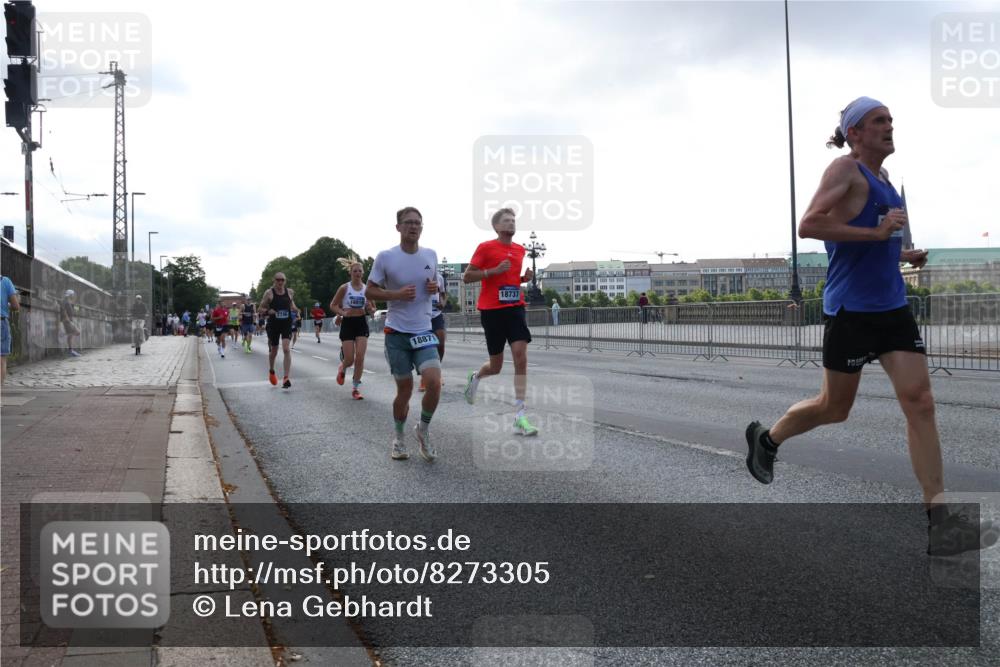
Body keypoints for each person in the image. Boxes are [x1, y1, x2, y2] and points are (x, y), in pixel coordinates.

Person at [745, 96, 997, 557]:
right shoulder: (845, 170)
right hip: (852, 312)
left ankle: (940, 522)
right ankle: (767, 438)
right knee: (833, 408)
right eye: (879, 121)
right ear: (855, 132)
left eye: (891, 120)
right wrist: (879, 235)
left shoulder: (884, 182)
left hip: (892, 309)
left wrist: (900, 253)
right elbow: (810, 225)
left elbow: (868, 242)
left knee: (920, 402)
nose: (889, 126)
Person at [366, 206, 442, 461]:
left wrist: (435, 290)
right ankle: (399, 438)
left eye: (418, 223)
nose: (414, 227)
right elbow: (370, 291)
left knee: (433, 382)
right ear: (398, 227)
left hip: (423, 330)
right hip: (397, 333)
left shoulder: (430, 255)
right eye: (408, 222)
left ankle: (423, 430)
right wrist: (395, 295)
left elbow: (438, 292)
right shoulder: (386, 257)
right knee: (405, 391)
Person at [462, 208, 538, 436]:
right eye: (507, 220)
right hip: (492, 310)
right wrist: (493, 271)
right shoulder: (485, 247)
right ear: (496, 226)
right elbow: (467, 276)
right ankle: (476, 377)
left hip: (515, 308)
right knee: (495, 366)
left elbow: (511, 278)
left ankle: (520, 415)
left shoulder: (520, 249)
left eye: (514, 220)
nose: (512, 223)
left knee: (520, 356)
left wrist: (524, 279)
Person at [330, 257, 375, 400]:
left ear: (363, 273)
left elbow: (372, 307)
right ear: (350, 273)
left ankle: (355, 388)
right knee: (350, 360)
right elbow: (333, 305)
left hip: (361, 322)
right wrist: (343, 313)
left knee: (360, 357)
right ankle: (342, 367)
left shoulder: (367, 289)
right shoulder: (344, 288)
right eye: (354, 271)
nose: (357, 273)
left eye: (359, 271)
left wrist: (371, 309)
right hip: (348, 323)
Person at [258, 272, 298, 388]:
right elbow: (260, 308)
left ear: (285, 281)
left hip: (286, 323)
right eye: (278, 280)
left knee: (286, 349)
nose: (280, 282)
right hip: (273, 325)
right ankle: (271, 370)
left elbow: (291, 305)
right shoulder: (269, 293)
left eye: (282, 280)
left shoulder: (289, 292)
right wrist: (267, 311)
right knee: (274, 350)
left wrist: (296, 310)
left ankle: (286, 378)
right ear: (274, 280)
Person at [420, 270, 448, 392]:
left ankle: (437, 373)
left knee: (441, 344)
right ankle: (423, 378)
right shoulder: (419, 276)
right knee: (425, 347)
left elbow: (443, 294)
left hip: (436, 314)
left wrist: (442, 302)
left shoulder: (439, 278)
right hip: (422, 315)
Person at [1, 274, 20, 383]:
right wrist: (6, 305)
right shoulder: (5, 281)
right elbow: (16, 306)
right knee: (2, 359)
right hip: (1, 321)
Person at [60, 289, 82, 357]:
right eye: (73, 295)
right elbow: (63, 310)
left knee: (71, 335)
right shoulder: (65, 301)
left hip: (69, 320)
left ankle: (71, 351)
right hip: (67, 321)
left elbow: (74, 308)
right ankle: (71, 351)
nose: (73, 296)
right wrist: (67, 319)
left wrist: (78, 308)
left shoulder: (69, 302)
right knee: (76, 332)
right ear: (70, 295)